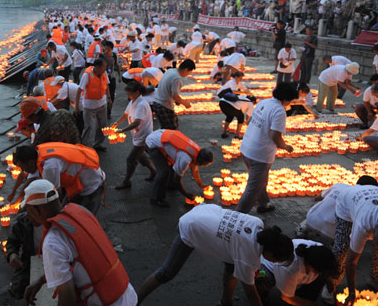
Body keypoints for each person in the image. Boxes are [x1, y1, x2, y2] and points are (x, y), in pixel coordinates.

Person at [137, 205, 294, 306]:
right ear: (269, 252)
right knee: (167, 272)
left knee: (232, 265)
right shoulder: (248, 257)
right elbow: (251, 294)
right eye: (276, 260)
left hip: (204, 211)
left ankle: (226, 301)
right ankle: (134, 301)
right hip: (192, 226)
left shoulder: (257, 223)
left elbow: (240, 246)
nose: (274, 262)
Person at [21, 180, 137, 306]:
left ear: (37, 209)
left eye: (28, 210)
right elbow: (82, 258)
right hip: (127, 295)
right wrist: (42, 280)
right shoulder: (80, 211)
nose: (29, 216)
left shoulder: (52, 241)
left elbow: (68, 298)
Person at [236, 82, 299, 214]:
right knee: (252, 189)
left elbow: (249, 121)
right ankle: (238, 216)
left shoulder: (264, 102)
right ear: (287, 99)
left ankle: (264, 204)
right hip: (259, 154)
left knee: (261, 180)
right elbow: (275, 136)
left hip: (246, 148)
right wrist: (286, 146)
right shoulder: (279, 111)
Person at [12, 144, 105, 216]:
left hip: (91, 184)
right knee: (67, 213)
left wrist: (29, 209)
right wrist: (19, 200)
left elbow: (54, 196)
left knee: (84, 220)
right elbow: (30, 182)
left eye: (22, 167)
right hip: (78, 182)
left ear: (30, 163)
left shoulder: (50, 165)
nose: (23, 171)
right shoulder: (38, 155)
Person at [325, 182, 378, 305]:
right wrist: (352, 292)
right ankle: (330, 285)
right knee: (342, 247)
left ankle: (375, 279)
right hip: (347, 202)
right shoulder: (364, 224)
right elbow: (352, 262)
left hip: (368, 197)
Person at [256, 240, 338, 306]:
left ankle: (301, 295)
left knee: (318, 281)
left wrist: (329, 282)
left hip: (295, 275)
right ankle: (260, 296)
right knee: (262, 278)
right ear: (311, 267)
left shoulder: (319, 250)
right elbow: (286, 297)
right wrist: (313, 304)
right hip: (268, 267)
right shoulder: (291, 269)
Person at [146, 129, 213, 207]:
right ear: (200, 161)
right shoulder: (185, 159)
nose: (203, 166)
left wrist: (202, 185)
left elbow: (195, 172)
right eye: (204, 164)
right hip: (154, 143)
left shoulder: (197, 152)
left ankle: (169, 185)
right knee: (164, 171)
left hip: (161, 135)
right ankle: (156, 199)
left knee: (171, 167)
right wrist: (186, 194)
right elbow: (177, 179)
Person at [112, 81, 157, 190]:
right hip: (138, 135)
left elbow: (137, 122)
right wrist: (116, 123)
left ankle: (126, 181)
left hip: (143, 136)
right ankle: (154, 171)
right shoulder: (133, 101)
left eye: (129, 94)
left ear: (137, 92)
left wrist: (122, 130)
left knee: (131, 159)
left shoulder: (141, 104)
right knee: (141, 155)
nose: (128, 96)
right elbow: (126, 114)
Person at [76, 58, 111, 151]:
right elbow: (79, 90)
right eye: (104, 67)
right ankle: (83, 146)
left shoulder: (104, 73)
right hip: (89, 105)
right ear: (98, 67)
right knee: (88, 126)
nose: (105, 69)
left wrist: (109, 98)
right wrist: (77, 106)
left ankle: (98, 144)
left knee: (102, 125)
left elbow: (106, 86)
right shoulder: (87, 75)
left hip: (102, 104)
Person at [151, 59, 196, 130]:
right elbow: (175, 96)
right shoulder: (177, 78)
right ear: (186, 69)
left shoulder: (170, 71)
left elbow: (169, 89)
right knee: (172, 130)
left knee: (166, 128)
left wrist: (177, 101)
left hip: (157, 102)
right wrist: (185, 103)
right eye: (189, 72)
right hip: (164, 105)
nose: (188, 74)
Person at [6, 211, 41, 300]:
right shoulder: (24, 222)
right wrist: (12, 254)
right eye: (29, 209)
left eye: (34, 212)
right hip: (28, 262)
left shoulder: (59, 225)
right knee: (17, 289)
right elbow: (12, 242)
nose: (31, 218)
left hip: (53, 265)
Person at [101, 41, 122, 118]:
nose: (106, 48)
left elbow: (117, 66)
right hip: (103, 77)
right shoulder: (101, 56)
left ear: (111, 48)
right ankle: (102, 111)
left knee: (112, 95)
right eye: (105, 47)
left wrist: (120, 76)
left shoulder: (114, 56)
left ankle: (108, 111)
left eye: (108, 47)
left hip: (112, 77)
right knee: (103, 94)